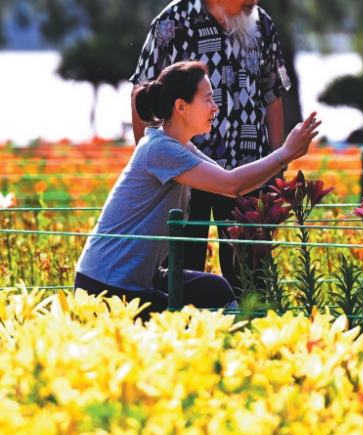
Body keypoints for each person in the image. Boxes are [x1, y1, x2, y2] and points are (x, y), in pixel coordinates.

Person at [75, 61, 321, 316]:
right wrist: (285, 153)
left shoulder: (179, 147)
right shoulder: (160, 149)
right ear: (181, 107)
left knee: (215, 290)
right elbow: (231, 184)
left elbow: (231, 183)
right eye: (208, 99)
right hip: (104, 286)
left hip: (137, 279)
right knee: (185, 321)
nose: (215, 107)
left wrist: (286, 156)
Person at [130, 0, 291, 294]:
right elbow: (142, 91)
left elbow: (273, 96)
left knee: (253, 277)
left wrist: (277, 166)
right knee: (181, 272)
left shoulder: (261, 25)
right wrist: (151, 164)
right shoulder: (173, 24)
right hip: (187, 173)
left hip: (249, 171)